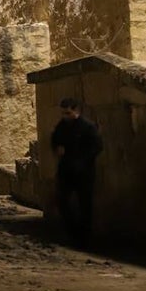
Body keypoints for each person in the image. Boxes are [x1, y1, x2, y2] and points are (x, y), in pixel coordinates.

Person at [51, 97, 103, 248]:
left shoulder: (87, 127)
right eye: (63, 113)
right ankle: (73, 233)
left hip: (84, 172)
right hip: (66, 171)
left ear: (75, 111)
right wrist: (58, 148)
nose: (65, 116)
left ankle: (84, 238)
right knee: (63, 202)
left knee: (85, 204)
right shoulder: (62, 126)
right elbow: (55, 140)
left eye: (67, 113)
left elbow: (97, 146)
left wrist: (81, 159)